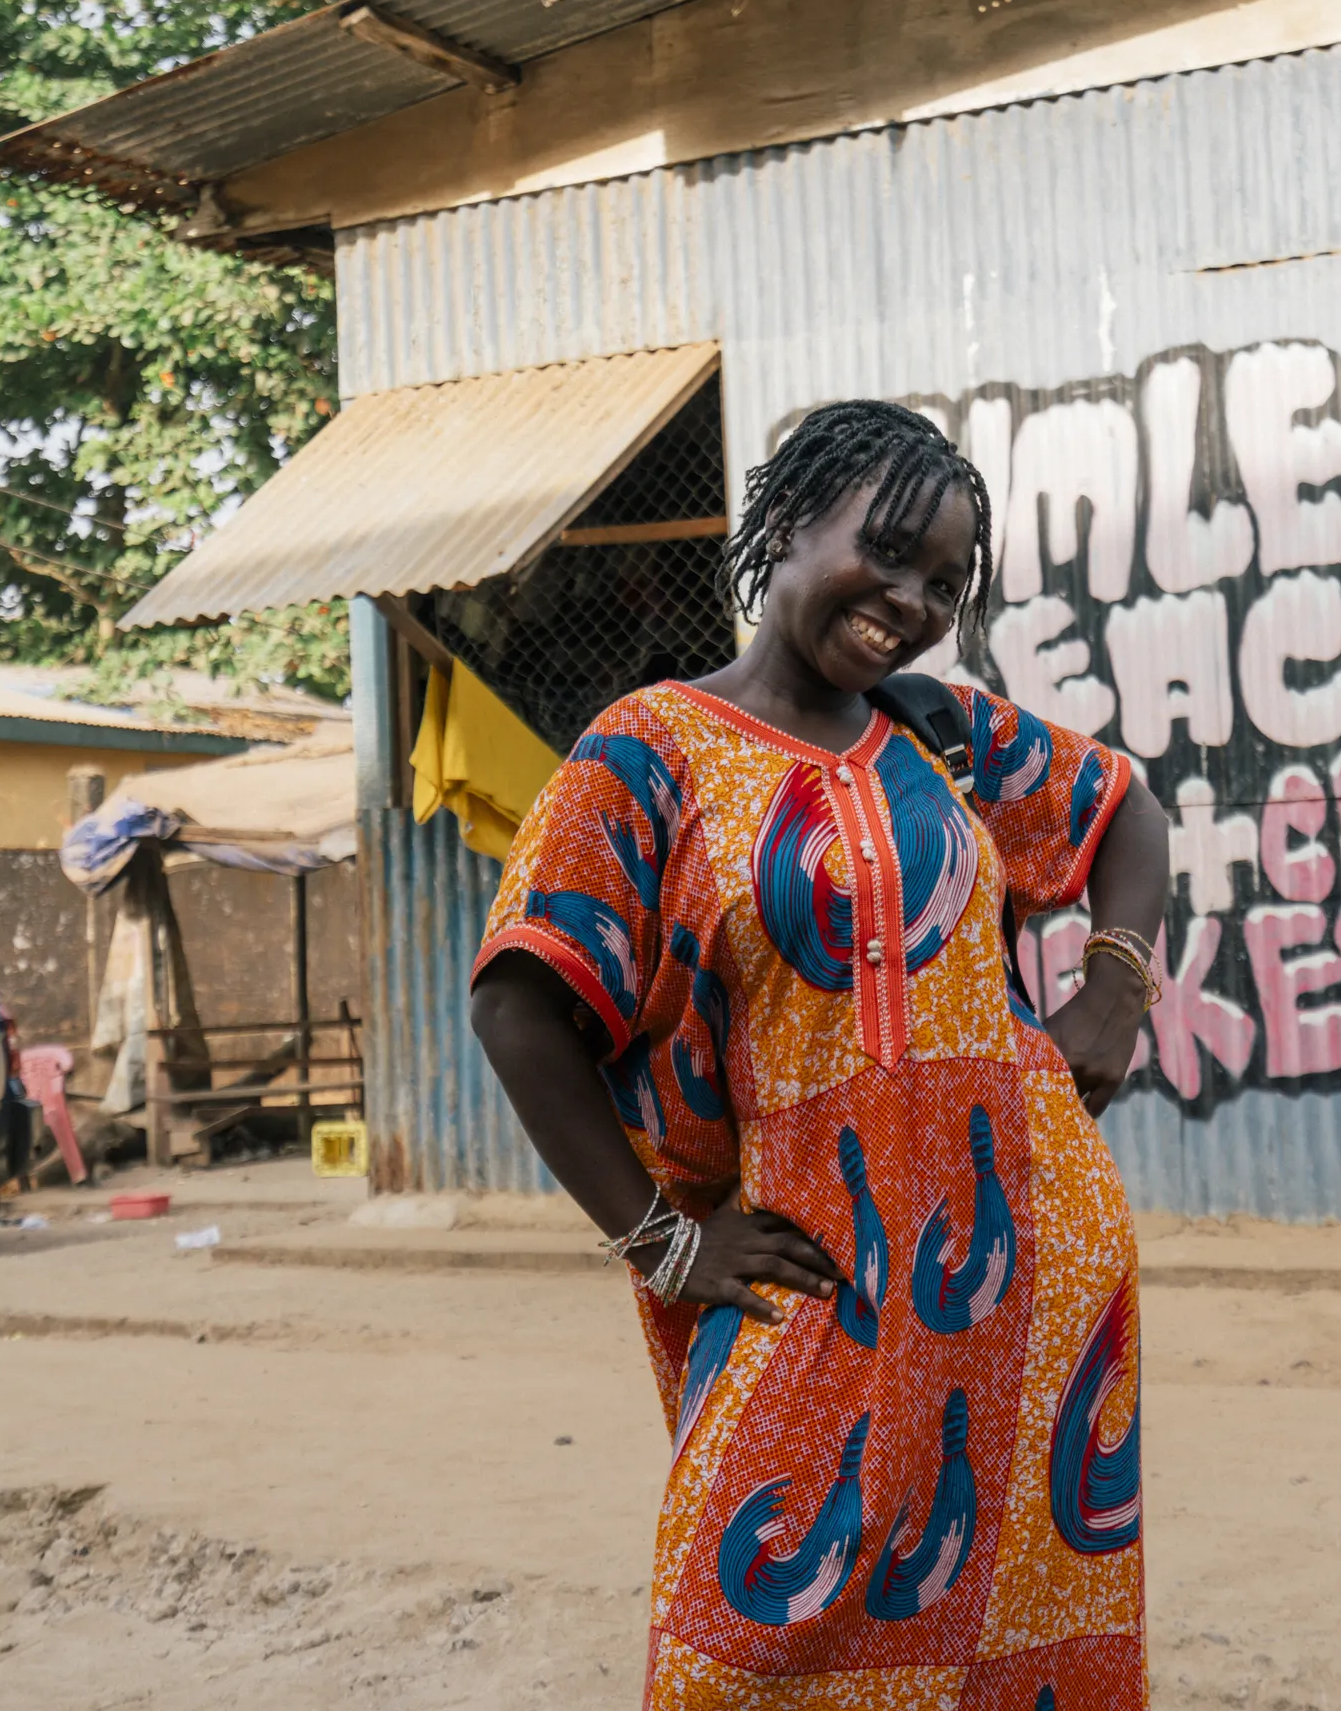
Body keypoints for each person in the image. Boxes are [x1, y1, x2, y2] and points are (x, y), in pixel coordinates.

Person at [470, 399, 1170, 1708]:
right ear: (786, 524)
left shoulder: (942, 732)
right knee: (735, 1655)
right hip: (811, 1274)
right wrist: (664, 1243)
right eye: (891, 552)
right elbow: (518, 1001)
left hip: (1034, 1271)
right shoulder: (651, 754)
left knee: (1018, 1640)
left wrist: (1114, 992)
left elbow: (1128, 812)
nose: (911, 601)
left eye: (946, 585)